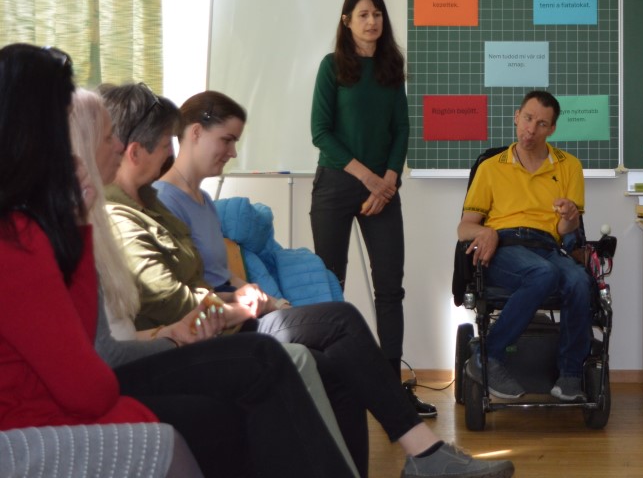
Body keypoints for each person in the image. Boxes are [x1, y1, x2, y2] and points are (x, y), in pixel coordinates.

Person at [99, 82, 513, 478]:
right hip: (218, 325)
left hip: (227, 313)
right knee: (340, 322)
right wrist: (246, 305)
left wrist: (249, 294)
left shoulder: (167, 204)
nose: (231, 151)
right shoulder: (141, 208)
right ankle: (424, 451)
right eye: (226, 140)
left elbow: (207, 278)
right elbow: (178, 300)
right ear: (136, 151)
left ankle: (411, 456)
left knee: (339, 363)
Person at [71, 87, 359, 478]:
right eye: (109, 139)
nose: (118, 146)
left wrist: (236, 297)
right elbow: (163, 306)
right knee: (274, 364)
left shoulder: (148, 204)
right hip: (181, 338)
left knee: (335, 341)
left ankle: (407, 451)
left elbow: (189, 288)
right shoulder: (113, 216)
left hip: (192, 328)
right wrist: (236, 310)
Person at [0, 44, 202, 478]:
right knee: (172, 438)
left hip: (40, 412)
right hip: (20, 433)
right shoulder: (16, 238)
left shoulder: (27, 226)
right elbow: (90, 384)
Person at [308, 0, 436, 416]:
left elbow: (402, 129)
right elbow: (320, 132)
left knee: (390, 289)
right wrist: (370, 179)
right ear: (347, 21)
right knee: (330, 287)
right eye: (363, 14)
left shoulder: (390, 68)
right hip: (336, 184)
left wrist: (389, 181)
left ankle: (391, 389)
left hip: (384, 186)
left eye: (377, 13)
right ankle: (328, 386)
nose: (372, 21)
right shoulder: (331, 67)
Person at [458, 90, 590, 402]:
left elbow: (564, 231)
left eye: (542, 124)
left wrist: (570, 217)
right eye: (528, 119)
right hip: (504, 247)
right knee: (543, 273)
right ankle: (487, 356)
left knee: (579, 280)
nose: (531, 129)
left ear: (552, 129)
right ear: (516, 117)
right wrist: (487, 232)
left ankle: (570, 375)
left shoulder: (569, 166)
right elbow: (464, 227)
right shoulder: (491, 167)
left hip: (546, 246)